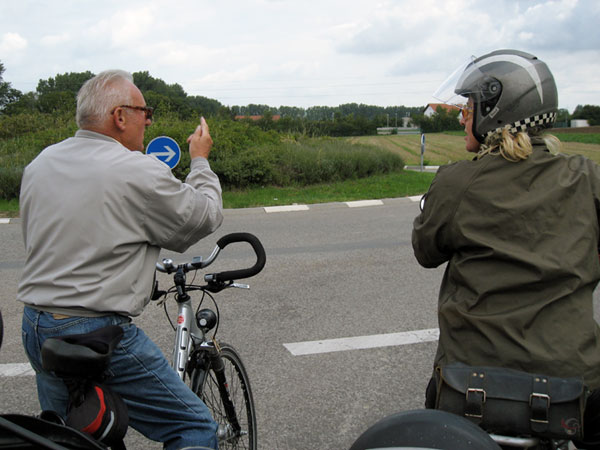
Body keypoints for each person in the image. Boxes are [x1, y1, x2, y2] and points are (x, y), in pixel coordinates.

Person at [18, 70, 223, 449]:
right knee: (194, 428)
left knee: (75, 439)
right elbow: (202, 216)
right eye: (145, 111)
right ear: (120, 117)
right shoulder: (135, 169)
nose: (148, 120)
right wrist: (200, 162)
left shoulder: (42, 163)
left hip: (36, 323)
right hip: (94, 329)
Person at [412, 49, 600, 448]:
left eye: (469, 104)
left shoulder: (457, 182)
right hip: (575, 388)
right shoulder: (587, 179)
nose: (463, 114)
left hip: (468, 387)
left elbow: (425, 251)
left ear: (495, 110)